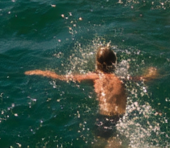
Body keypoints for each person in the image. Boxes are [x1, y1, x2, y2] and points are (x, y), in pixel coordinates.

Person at [26, 45, 158, 146]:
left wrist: (41, 72)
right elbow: (144, 79)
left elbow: (63, 78)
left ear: (97, 64)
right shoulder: (121, 78)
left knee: (102, 143)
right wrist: (152, 73)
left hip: (104, 118)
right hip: (122, 116)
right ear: (115, 63)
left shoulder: (94, 76)